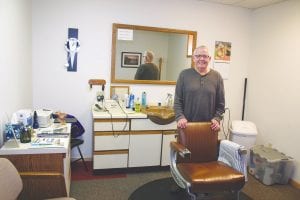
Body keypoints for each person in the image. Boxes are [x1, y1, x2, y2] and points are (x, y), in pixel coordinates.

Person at [174, 45, 225, 131]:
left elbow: (221, 104)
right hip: (186, 126)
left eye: (205, 56)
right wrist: (180, 117)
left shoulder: (217, 76)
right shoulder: (184, 75)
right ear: (193, 58)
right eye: (198, 56)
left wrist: (217, 118)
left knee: (208, 145)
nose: (201, 59)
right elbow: (178, 101)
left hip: (210, 127)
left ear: (209, 58)